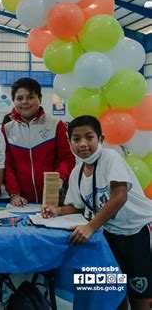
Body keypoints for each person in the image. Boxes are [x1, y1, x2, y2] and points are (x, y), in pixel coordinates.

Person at [42, 115, 152, 310]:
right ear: (69, 143)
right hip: (109, 233)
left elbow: (119, 196)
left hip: (137, 232)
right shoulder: (77, 172)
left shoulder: (111, 158)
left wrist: (90, 227)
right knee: (113, 289)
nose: (83, 144)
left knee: (139, 294)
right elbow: (77, 206)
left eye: (89, 137)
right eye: (76, 139)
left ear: (100, 139)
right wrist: (56, 210)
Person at [2, 77, 75, 206]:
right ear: (13, 101)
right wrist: (14, 194)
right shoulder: (7, 130)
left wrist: (60, 177)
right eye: (19, 98)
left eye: (30, 97)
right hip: (22, 202)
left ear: (40, 99)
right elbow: (8, 166)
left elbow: (67, 158)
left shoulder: (56, 125)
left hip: (54, 198)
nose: (25, 102)